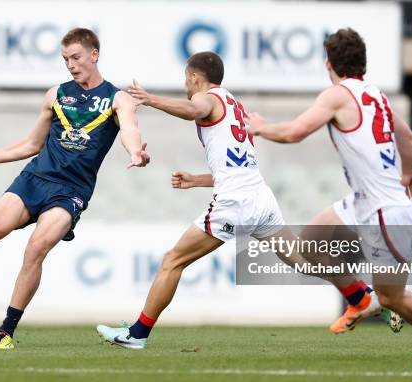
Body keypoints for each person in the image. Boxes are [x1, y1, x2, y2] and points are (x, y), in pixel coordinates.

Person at [247, 28, 412, 360]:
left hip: (385, 211)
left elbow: (293, 133)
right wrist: (409, 171)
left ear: (328, 62)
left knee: (392, 298)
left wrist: (258, 126)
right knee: (310, 242)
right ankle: (360, 298)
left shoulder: (337, 95)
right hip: (364, 201)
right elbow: (405, 136)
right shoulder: (375, 95)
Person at [0, 27, 150, 350]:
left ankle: (5, 331)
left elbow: (130, 130)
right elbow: (32, 144)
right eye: (66, 59)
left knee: (36, 249)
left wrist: (136, 152)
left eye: (76, 57)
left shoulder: (117, 99)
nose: (71, 65)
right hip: (35, 178)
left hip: (71, 191)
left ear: (94, 55)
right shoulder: (55, 95)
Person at [96, 51, 297, 349]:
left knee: (172, 260)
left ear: (194, 77)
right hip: (259, 197)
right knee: (300, 258)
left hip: (235, 204)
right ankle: (360, 292)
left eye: (186, 81)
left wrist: (150, 99)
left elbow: (194, 109)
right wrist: (196, 180)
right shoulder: (234, 104)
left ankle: (137, 334)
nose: (187, 88)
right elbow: (234, 169)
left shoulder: (209, 98)